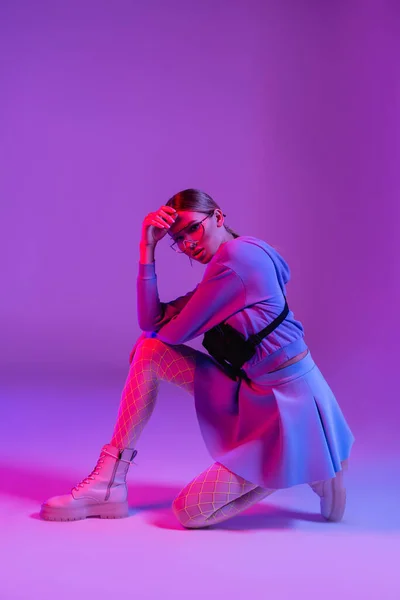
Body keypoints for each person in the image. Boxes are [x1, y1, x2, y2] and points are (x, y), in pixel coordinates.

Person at [40, 188, 354, 527]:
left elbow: (172, 332)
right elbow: (151, 323)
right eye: (178, 238)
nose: (188, 242)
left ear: (218, 217)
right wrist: (148, 249)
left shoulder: (238, 260)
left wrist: (157, 330)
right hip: (252, 391)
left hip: (291, 405)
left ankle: (302, 459)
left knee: (190, 512)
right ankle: (109, 480)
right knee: (149, 351)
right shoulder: (229, 267)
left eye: (193, 228)